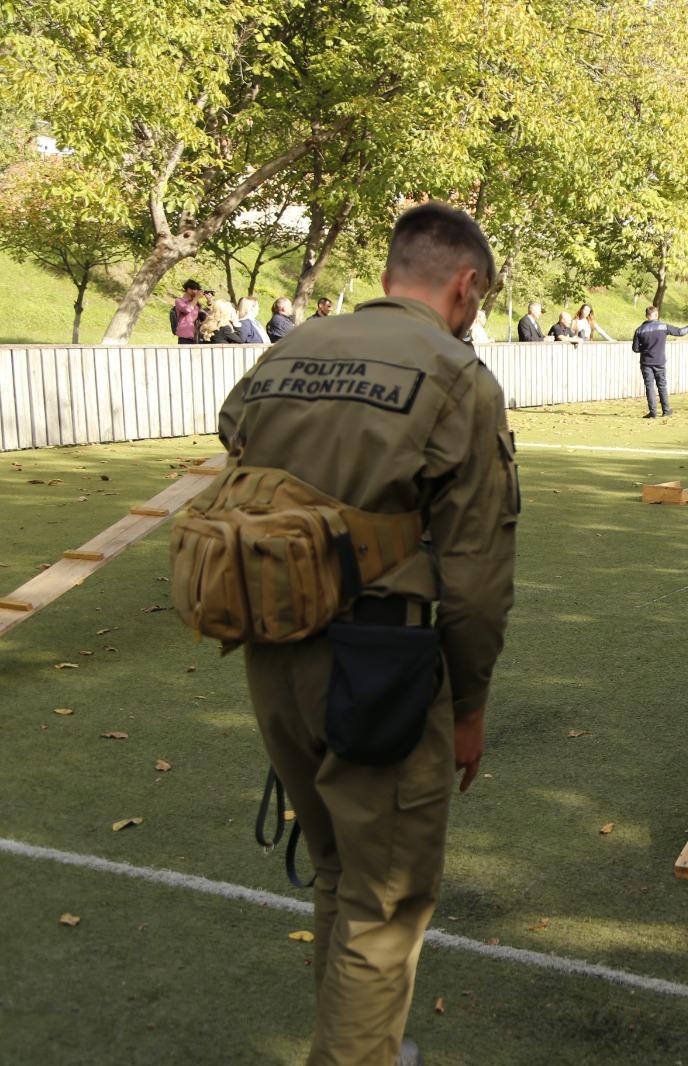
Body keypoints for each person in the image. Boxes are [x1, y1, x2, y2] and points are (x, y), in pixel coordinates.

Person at [214, 202, 518, 1064]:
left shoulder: (284, 350)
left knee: (342, 871)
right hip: (380, 668)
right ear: (465, 286)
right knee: (386, 902)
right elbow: (475, 576)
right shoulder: (458, 376)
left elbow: (238, 448)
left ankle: (360, 1045)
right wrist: (470, 705)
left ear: (389, 274)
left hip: (274, 652)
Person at [631, 304, 688, 418]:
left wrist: (644, 348)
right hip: (659, 361)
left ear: (646, 315)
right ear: (656, 314)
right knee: (662, 385)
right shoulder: (663, 327)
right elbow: (679, 332)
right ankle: (666, 410)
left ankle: (653, 412)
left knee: (649, 386)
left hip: (646, 362)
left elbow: (635, 349)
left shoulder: (639, 330)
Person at [171, 279, 204, 344]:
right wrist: (196, 298)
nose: (197, 292)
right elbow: (187, 310)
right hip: (185, 336)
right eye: (195, 289)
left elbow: (204, 315)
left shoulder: (196, 303)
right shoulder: (179, 300)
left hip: (197, 335)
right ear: (189, 290)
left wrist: (210, 302)